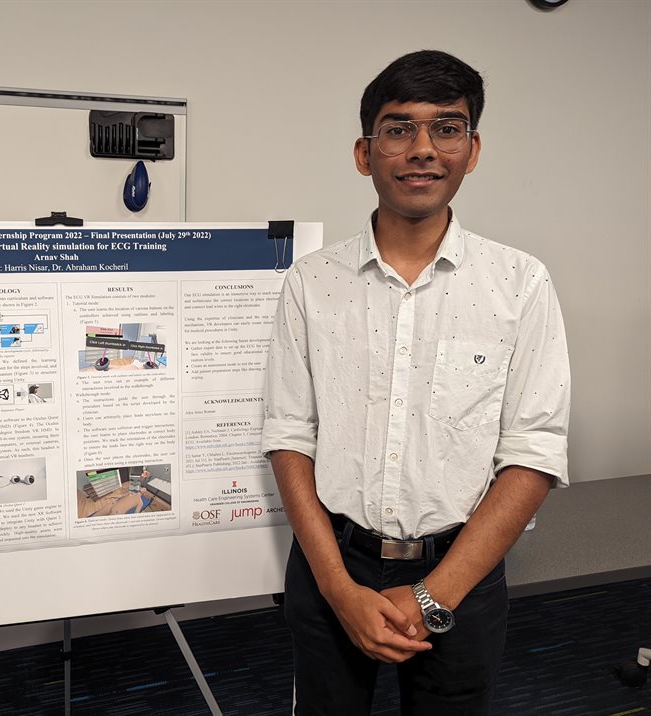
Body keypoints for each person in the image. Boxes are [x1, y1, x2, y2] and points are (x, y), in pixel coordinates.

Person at [261, 50, 570, 715]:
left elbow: (534, 452)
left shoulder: (520, 284)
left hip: (462, 568)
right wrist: (338, 589)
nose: (423, 149)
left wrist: (433, 595)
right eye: (398, 129)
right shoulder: (311, 283)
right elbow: (289, 436)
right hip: (331, 562)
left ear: (472, 150)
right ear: (364, 153)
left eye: (447, 128)